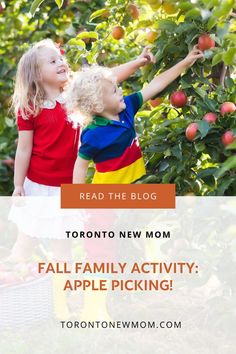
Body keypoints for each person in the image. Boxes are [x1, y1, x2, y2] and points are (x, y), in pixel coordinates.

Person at [12, 39, 155, 196]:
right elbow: (24, 148)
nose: (61, 63)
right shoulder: (30, 108)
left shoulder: (74, 95)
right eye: (53, 61)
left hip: (71, 182)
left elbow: (108, 78)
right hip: (39, 185)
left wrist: (137, 63)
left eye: (61, 59)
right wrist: (18, 184)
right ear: (37, 74)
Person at [66, 45, 203, 184]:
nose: (120, 92)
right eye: (114, 91)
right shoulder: (93, 133)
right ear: (97, 105)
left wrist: (185, 62)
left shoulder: (127, 107)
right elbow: (80, 166)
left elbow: (156, 85)